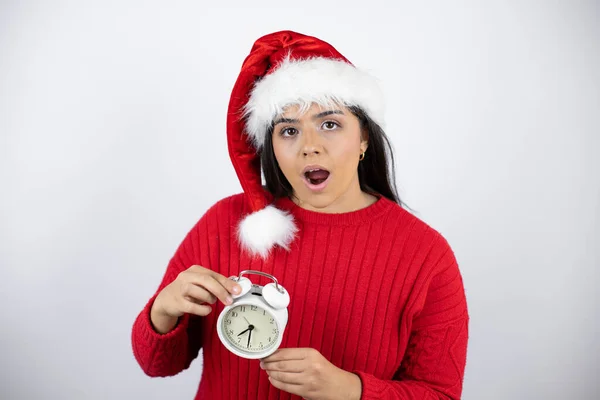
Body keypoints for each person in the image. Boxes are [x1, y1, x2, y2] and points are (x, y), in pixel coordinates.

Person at [131, 30, 469, 400]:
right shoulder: (224, 222)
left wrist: (351, 390)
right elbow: (156, 365)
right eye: (289, 130)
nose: (310, 146)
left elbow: (441, 393)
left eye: (330, 124)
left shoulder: (425, 254)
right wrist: (162, 311)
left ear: (364, 139)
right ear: (271, 148)